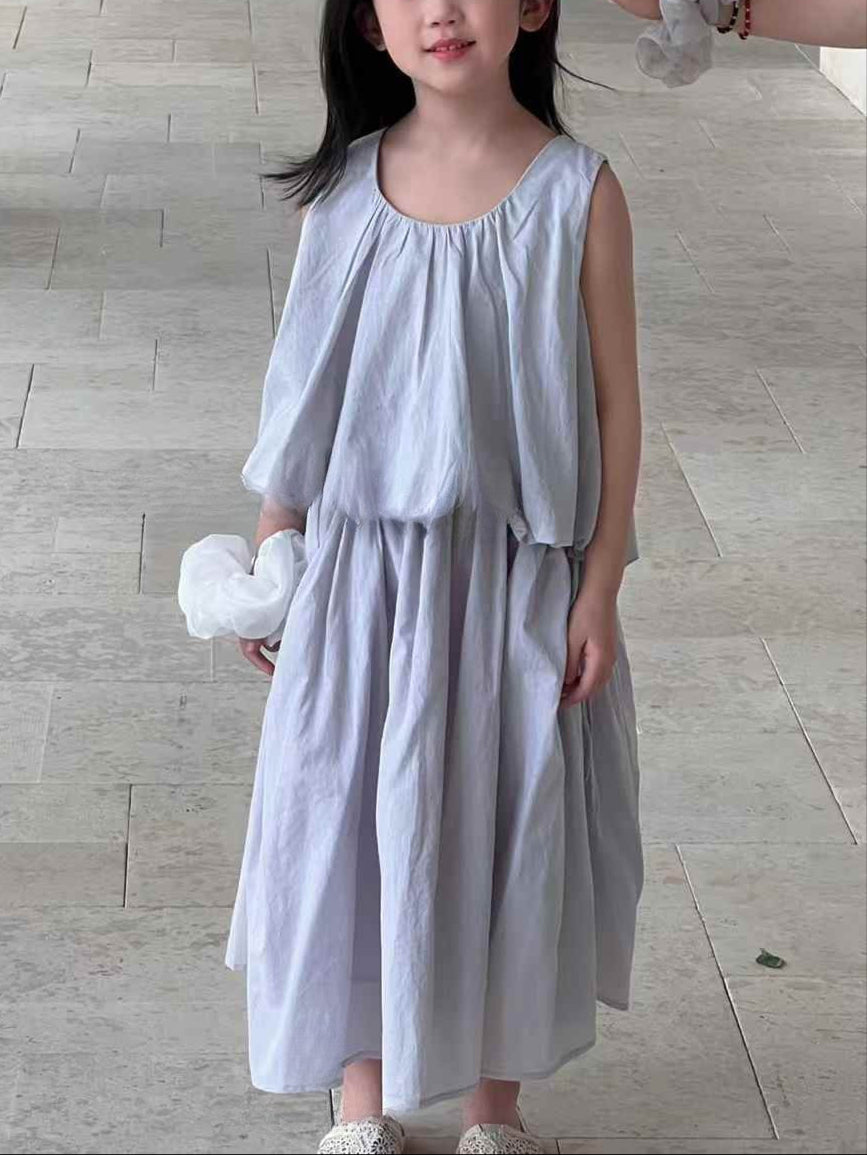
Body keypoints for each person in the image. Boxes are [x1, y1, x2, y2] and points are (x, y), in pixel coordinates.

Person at [227, 2, 644, 1152]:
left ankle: (492, 1109)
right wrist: (276, 546)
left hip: (513, 585)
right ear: (369, 26)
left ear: (535, 5)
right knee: (350, 821)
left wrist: (599, 586)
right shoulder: (342, 194)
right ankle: (361, 1101)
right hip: (364, 586)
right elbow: (304, 387)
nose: (442, 10)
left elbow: (616, 405)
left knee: (506, 828)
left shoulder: (579, 194)